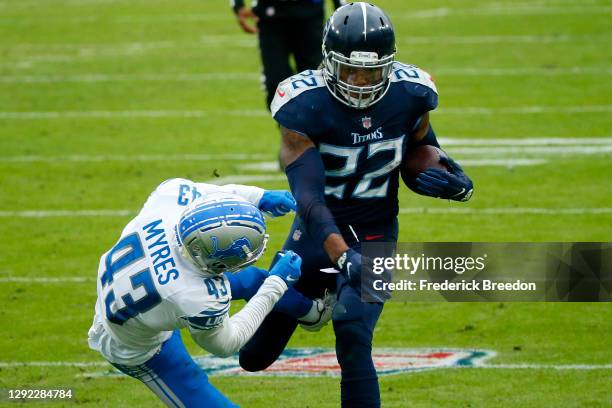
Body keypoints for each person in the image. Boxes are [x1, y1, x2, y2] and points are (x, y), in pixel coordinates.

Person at [238, 3, 474, 407]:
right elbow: (308, 197)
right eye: (350, 70)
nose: (361, 81)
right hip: (316, 231)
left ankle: (328, 305)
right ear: (328, 62)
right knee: (254, 357)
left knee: (352, 332)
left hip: (376, 232)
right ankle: (308, 307)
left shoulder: (411, 95)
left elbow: (420, 152)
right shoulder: (303, 103)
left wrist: (452, 180)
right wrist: (342, 255)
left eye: (373, 70)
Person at [87, 178, 330, 407]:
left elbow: (210, 194)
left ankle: (311, 313)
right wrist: (276, 283)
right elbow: (225, 343)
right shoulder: (196, 297)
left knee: (253, 279)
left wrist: (259, 196)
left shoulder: (167, 199)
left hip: (146, 290)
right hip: (137, 347)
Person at [230, 0, 345, 108]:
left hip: (309, 14)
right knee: (276, 85)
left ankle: (310, 127)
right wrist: (238, 5)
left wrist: (341, 11)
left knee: (317, 85)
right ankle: (290, 127)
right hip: (270, 16)